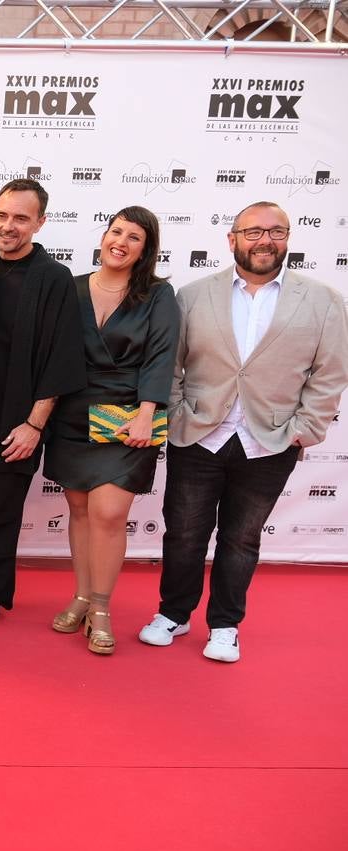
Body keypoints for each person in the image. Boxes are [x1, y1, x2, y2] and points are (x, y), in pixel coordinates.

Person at [140, 202, 348, 662]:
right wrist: (175, 414)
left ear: (288, 239)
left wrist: (305, 429)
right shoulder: (193, 295)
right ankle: (173, 613)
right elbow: (170, 364)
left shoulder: (324, 300)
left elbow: (329, 374)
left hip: (270, 440)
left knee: (241, 539)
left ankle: (225, 625)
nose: (265, 240)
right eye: (253, 231)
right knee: (184, 534)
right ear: (232, 239)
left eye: (276, 231)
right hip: (198, 434)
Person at [0, 180, 86, 628]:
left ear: (41, 222)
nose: (9, 226)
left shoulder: (52, 278)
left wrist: (34, 425)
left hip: (15, 417)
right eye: (3, 215)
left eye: (21, 218)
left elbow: (60, 357)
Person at [44, 206, 179, 655]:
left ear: (146, 249)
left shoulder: (158, 295)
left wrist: (147, 412)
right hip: (74, 414)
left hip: (127, 416)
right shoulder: (73, 287)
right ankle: (82, 596)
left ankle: (100, 607)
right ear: (103, 236)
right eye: (116, 231)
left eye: (134, 236)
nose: (121, 241)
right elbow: (55, 353)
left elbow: (161, 356)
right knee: (80, 509)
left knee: (107, 512)